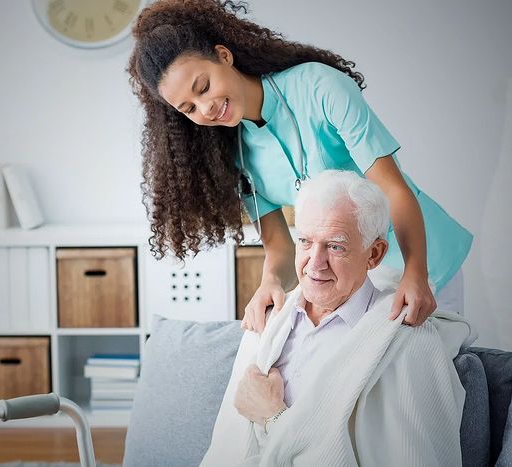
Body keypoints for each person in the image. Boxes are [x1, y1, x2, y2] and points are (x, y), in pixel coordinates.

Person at [127, 0, 472, 332]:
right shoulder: (236, 156)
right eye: (189, 108)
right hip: (354, 280)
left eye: (203, 87)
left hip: (422, 258)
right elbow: (279, 246)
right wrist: (270, 283)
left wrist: (416, 271)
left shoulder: (320, 87)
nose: (205, 108)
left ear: (223, 55)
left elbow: (394, 190)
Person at [199, 170, 473, 466]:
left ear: (375, 254)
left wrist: (272, 417)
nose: (315, 263)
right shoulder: (268, 323)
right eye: (305, 241)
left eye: (335, 246)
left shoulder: (409, 343)